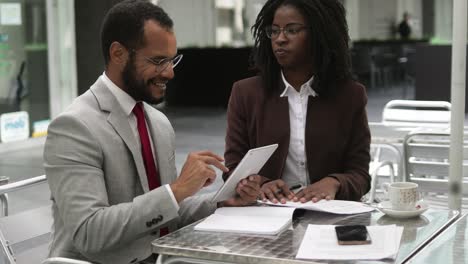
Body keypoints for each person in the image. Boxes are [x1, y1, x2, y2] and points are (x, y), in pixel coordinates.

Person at [44, 1, 260, 263]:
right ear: (118, 54)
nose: (169, 72)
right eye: (158, 61)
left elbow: (167, 212)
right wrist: (177, 189)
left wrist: (221, 202)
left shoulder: (157, 123)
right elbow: (90, 231)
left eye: (172, 60)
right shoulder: (74, 127)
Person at [224, 0, 371, 205]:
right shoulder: (246, 93)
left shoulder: (350, 95)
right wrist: (262, 184)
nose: (280, 39)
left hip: (329, 215)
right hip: (266, 216)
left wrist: (334, 182)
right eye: (274, 31)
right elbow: (233, 168)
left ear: (320, 34)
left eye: (292, 30)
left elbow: (360, 175)